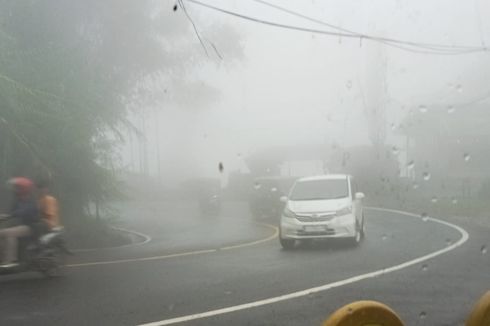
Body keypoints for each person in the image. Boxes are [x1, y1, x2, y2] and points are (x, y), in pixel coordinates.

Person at [0, 177, 39, 268]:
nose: (15, 190)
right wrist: (4, 216)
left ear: (24, 188)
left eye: (17, 187)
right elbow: (12, 212)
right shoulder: (18, 200)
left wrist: (9, 216)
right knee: (1, 233)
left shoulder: (31, 200)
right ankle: (2, 258)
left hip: (31, 227)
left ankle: (10, 260)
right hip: (22, 226)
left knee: (9, 233)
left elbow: (23, 211)